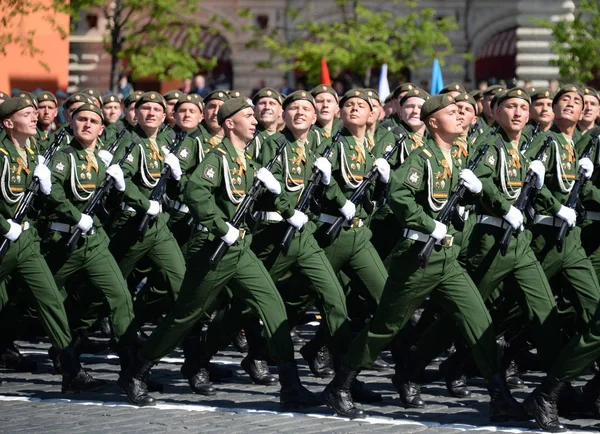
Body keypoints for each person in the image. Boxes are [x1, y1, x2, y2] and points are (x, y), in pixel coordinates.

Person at [321, 94, 525, 424]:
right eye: (451, 112)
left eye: (462, 112)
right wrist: (430, 224)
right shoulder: (422, 157)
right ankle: (340, 385)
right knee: (385, 327)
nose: (460, 116)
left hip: (448, 257)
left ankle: (500, 397)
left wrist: (474, 194)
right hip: (418, 258)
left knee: (479, 322)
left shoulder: (456, 159)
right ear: (433, 122)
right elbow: (399, 196)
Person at [118, 97, 322, 411]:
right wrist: (219, 226)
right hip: (216, 249)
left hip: (240, 248)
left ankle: (291, 387)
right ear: (230, 123)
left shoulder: (249, 161)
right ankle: (137, 371)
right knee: (185, 315)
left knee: (274, 307)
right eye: (247, 116)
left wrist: (281, 198)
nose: (254, 121)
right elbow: (195, 191)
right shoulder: (218, 158)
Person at [0, 96, 103, 393]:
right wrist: (6, 226)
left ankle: (71, 369)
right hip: (5, 239)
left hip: (27, 241)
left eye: (35, 113)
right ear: (8, 123)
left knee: (51, 300)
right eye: (27, 114)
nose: (35, 117)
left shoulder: (32, 153)